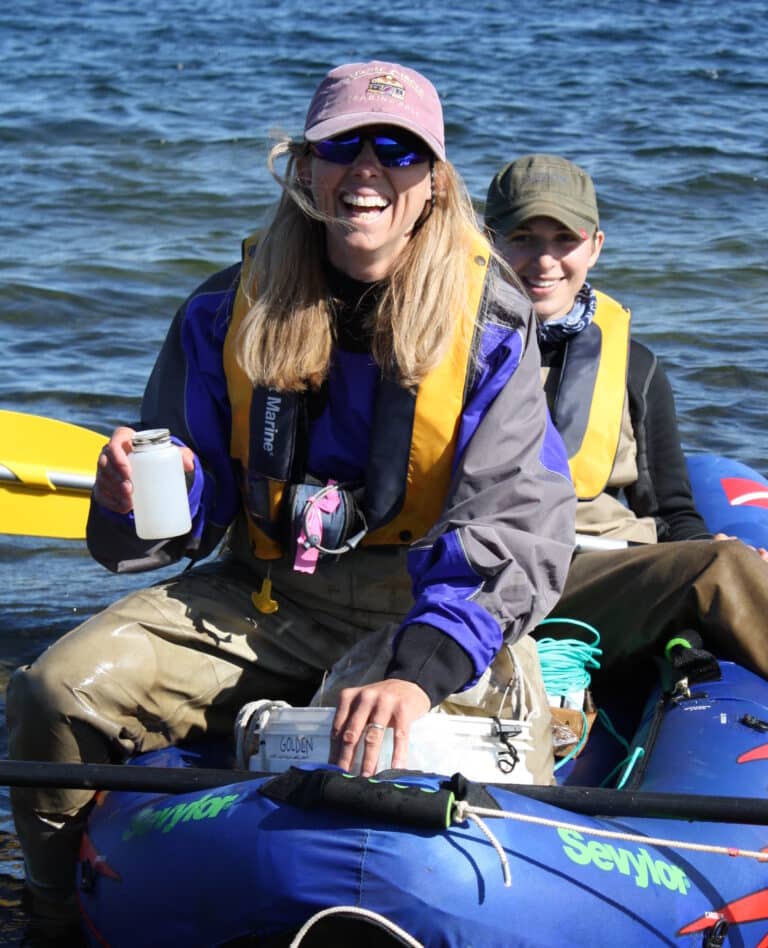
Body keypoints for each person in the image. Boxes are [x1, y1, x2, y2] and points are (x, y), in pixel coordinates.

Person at [8, 67, 575, 942]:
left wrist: (418, 671)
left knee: (463, 785)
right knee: (52, 691)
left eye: (397, 149)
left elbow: (520, 529)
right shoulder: (221, 309)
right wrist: (138, 498)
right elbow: (179, 514)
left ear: (433, 181)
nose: (366, 170)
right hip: (266, 593)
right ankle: (53, 914)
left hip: (424, 603)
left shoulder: (493, 323)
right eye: (341, 145)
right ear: (304, 168)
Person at [483, 153, 768, 692]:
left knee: (726, 565)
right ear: (487, 242)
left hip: (596, 576)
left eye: (564, 239)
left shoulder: (636, 368)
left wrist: (707, 552)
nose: (544, 261)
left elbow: (671, 510)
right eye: (522, 237)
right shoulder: (439, 350)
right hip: (487, 575)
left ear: (595, 246)